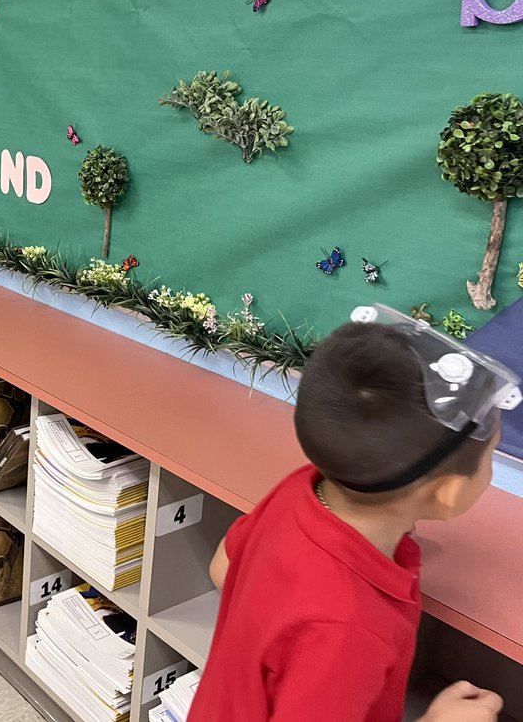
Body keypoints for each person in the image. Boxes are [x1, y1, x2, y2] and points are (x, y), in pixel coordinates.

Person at [190, 304, 517, 722]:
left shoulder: (301, 489)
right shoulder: (348, 628)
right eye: (490, 458)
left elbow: (224, 566)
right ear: (447, 495)